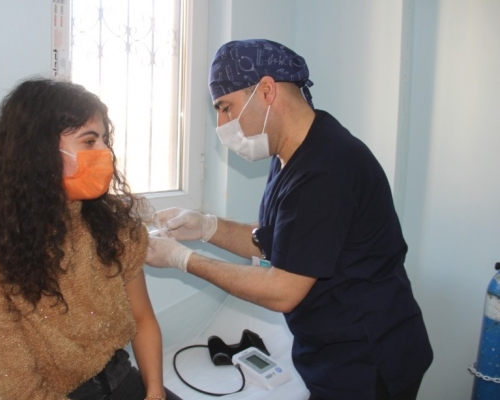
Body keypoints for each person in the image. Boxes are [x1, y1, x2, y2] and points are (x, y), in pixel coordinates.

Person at [146, 39, 433, 400]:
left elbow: (282, 291)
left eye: (225, 107)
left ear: (266, 90)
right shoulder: (290, 154)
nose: (221, 124)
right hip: (330, 353)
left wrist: (182, 260)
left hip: (368, 358)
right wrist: (207, 227)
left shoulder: (328, 168)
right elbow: (282, 241)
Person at [0, 78, 181, 400]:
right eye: (89, 141)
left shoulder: (112, 227)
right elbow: (18, 390)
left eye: (105, 140)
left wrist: (155, 393)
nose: (105, 153)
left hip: (124, 379)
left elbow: (142, 318)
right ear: (40, 152)